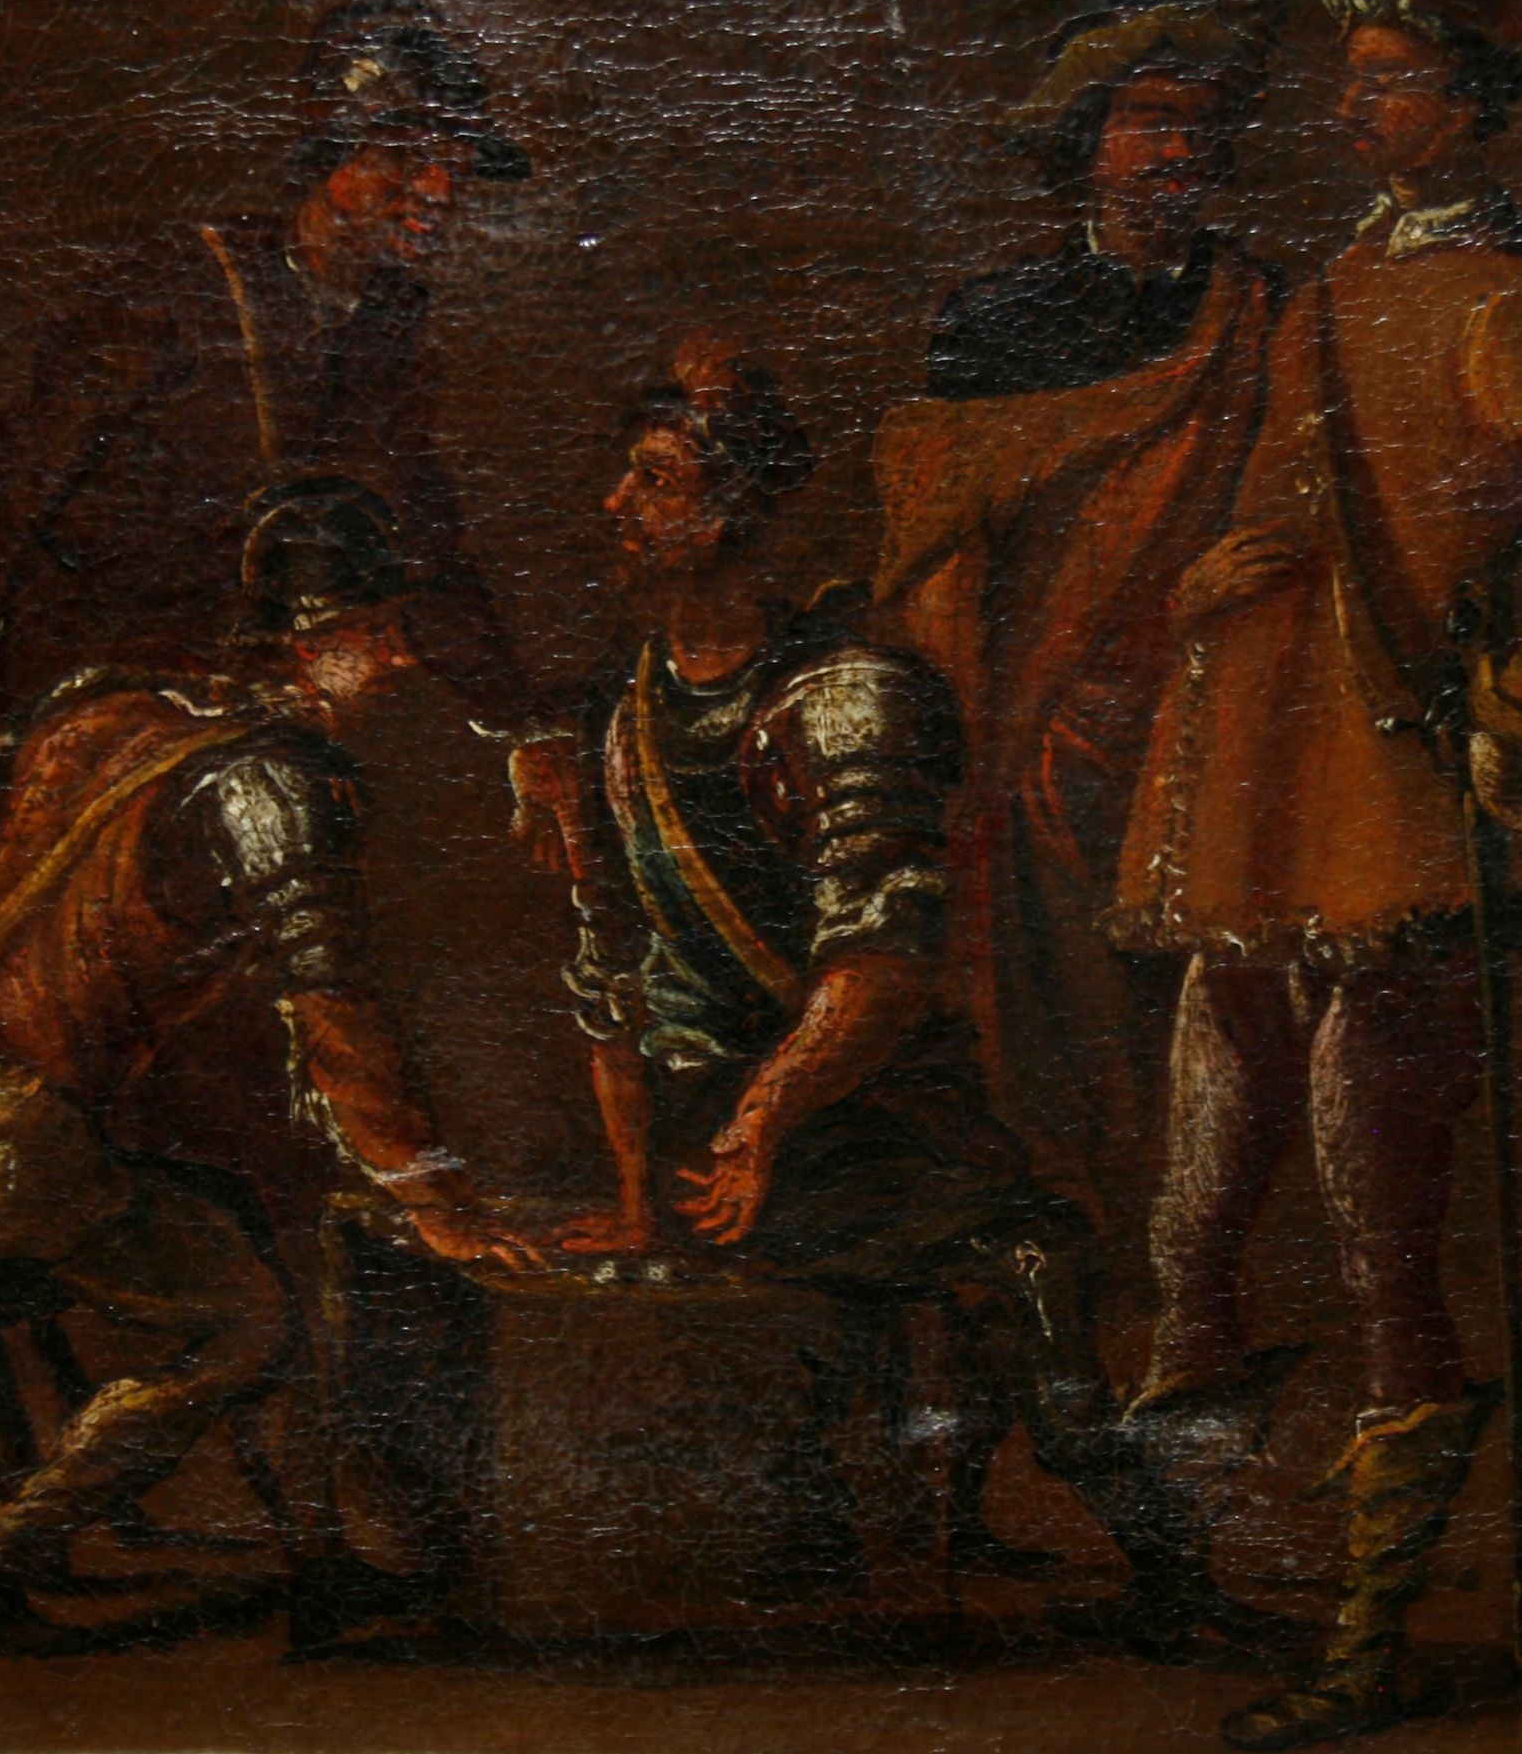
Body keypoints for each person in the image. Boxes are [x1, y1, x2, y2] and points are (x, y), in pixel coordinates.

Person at [1108, 0, 1522, 1744]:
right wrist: (1218, 575)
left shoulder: (1515, 305)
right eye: (1353, 77)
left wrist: (1519, 697)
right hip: (1253, 797)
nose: (1353, 107)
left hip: (1386, 812)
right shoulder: (1324, 292)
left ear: (1467, 104)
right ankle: (1201, 1564)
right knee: (1192, 1222)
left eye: (1387, 79)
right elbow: (1293, 501)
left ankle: (1367, 1643)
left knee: (1383, 1241)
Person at [519, 336, 1290, 1647]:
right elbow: (612, 968)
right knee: (1034, 1249)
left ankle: (978, 1526)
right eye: (627, 476)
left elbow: (879, 965)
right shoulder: (611, 715)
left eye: (653, 480)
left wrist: (750, 1125)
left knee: (1011, 1213)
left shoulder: (846, 697)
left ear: (733, 511)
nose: (616, 504)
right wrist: (671, 1179)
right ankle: (1154, 1560)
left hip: (821, 1103)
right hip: (757, 1131)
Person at [0, 479, 545, 1654]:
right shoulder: (274, 787)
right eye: (378, 631)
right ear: (306, 644)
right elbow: (335, 1011)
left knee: (261, 1223)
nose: (404, 659)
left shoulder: (98, 706)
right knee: (249, 1321)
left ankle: (319, 1559)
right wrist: (433, 1195)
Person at [871, 0, 1286, 1265]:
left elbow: (1290, 509)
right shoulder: (993, 322)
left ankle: (1197, 1255)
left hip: (1213, 694)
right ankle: (1075, 1229)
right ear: (1085, 141)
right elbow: (939, 553)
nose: (1176, 152)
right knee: (1038, 978)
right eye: (1147, 121)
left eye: (1198, 127)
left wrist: (1205, 601)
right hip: (1034, 715)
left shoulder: (1265, 312)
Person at [0, 0, 578, 833]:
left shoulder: (389, 326)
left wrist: (525, 723)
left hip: (261, 702)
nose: (438, 188)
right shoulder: (176, 285)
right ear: (329, 155)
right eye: (403, 156)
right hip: (104, 692)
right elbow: (18, 490)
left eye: (456, 163)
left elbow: (427, 546)